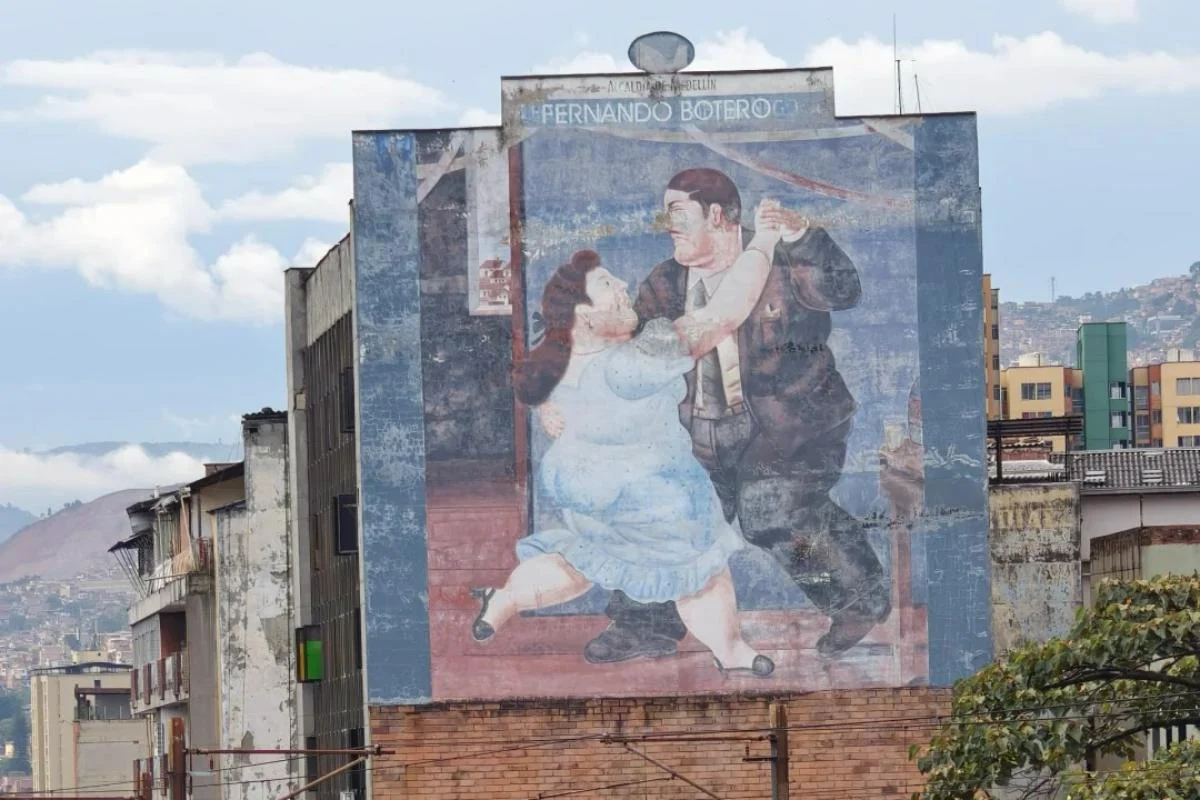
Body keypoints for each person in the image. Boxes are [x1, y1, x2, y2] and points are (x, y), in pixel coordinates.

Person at [549, 167, 895, 664]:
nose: (667, 225)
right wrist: (555, 400)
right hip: (698, 430)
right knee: (659, 510)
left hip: (789, 424)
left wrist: (800, 235)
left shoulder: (783, 257)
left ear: (715, 215)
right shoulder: (664, 282)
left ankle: (861, 599)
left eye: (677, 214)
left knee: (767, 508)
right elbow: (615, 354)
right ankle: (645, 625)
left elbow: (844, 292)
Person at [469, 200, 790, 677]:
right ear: (583, 316)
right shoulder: (633, 361)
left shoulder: (557, 366)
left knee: (585, 560)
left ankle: (507, 597)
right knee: (700, 569)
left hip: (587, 493)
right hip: (651, 496)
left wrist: (546, 412)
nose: (623, 288)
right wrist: (763, 240)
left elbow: (543, 395)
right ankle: (732, 648)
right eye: (606, 285)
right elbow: (724, 314)